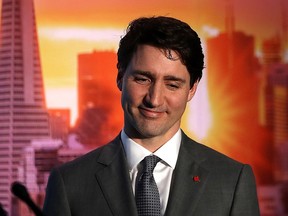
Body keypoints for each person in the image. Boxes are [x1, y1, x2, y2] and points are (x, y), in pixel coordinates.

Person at [43, 16, 260, 216]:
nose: (154, 99)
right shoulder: (69, 183)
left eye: (172, 84)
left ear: (192, 89)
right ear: (120, 77)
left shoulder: (231, 182)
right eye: (142, 79)